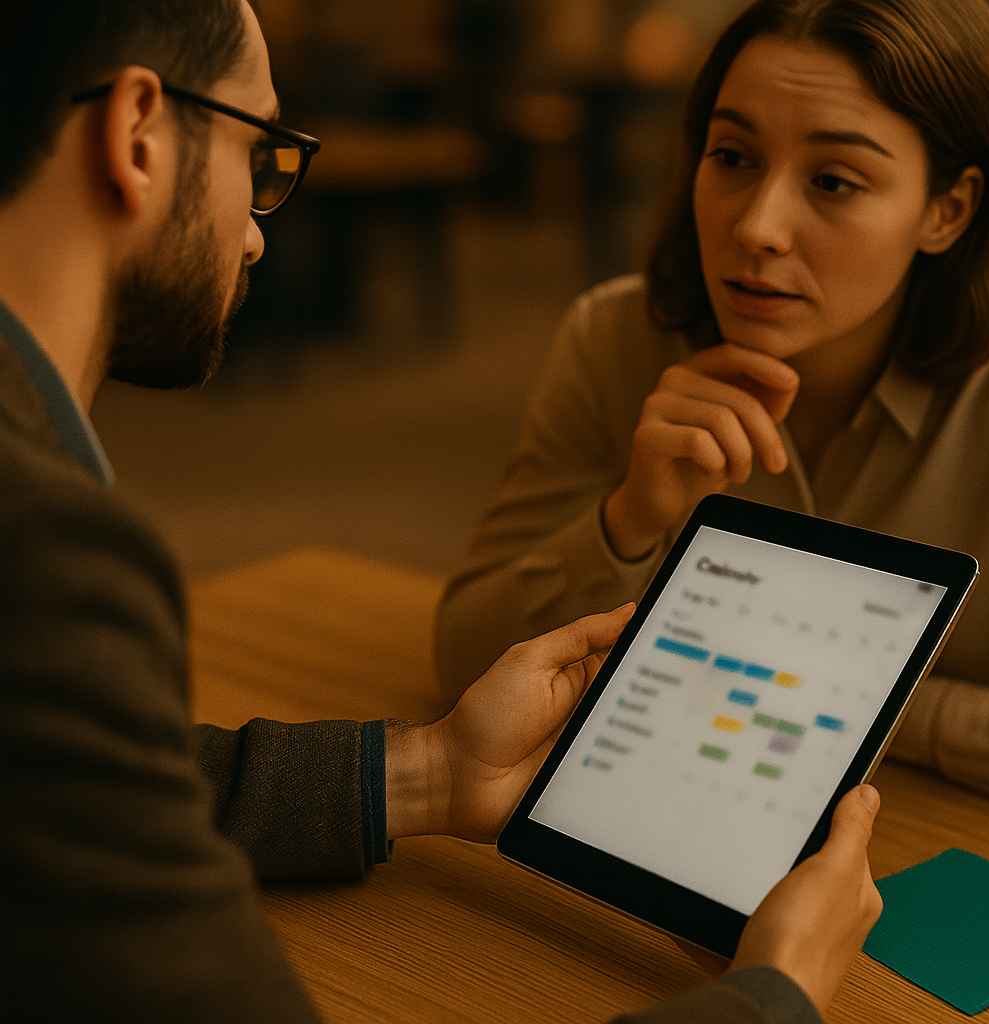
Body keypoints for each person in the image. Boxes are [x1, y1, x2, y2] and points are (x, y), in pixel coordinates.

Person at [2, 3, 881, 1021]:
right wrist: (778, 992)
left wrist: (428, 770)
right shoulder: (50, 556)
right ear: (138, 135)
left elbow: (79, 801)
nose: (254, 228)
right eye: (259, 151)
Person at [436, 0, 989, 806]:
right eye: (734, 156)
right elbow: (461, 662)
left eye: (833, 181)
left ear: (946, 210)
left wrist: (846, 694)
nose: (757, 226)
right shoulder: (615, 337)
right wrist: (630, 519)